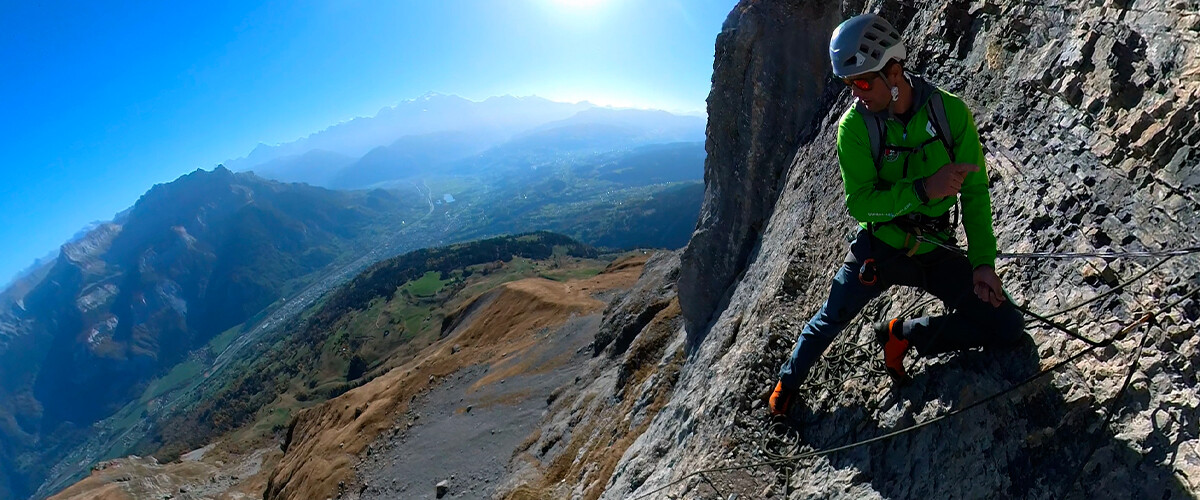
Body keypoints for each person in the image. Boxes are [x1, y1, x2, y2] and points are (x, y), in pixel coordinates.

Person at [769, 13, 1028, 416]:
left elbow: (975, 192)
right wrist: (925, 188)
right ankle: (787, 381)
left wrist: (982, 264)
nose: (856, 94)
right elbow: (860, 202)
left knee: (1007, 326)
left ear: (894, 71)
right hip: (881, 247)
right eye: (848, 84)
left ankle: (903, 335)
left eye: (862, 81)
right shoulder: (854, 129)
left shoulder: (950, 113)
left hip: (937, 249)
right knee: (833, 314)